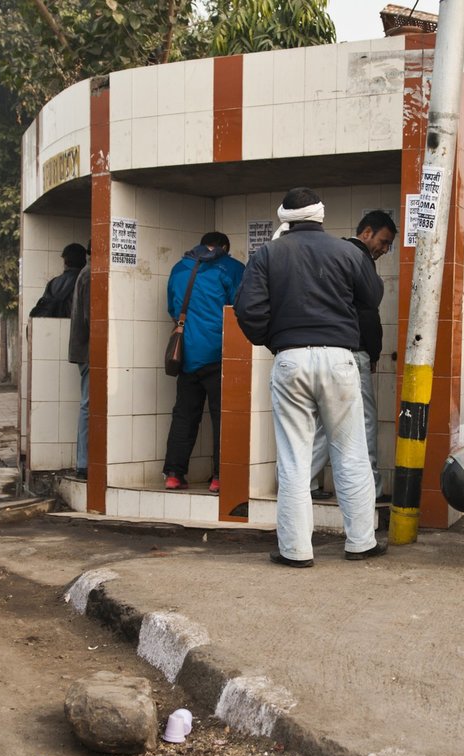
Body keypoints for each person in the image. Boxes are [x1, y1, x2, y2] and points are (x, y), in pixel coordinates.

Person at [233, 187, 385, 567]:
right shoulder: (348, 252)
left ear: (286, 217)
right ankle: (361, 542)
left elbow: (247, 309)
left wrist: (276, 342)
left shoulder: (266, 254)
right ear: (320, 215)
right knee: (351, 454)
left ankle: (296, 551)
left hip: (291, 359)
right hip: (340, 358)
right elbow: (372, 298)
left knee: (294, 460)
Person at [310, 210, 397, 502]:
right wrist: (373, 352)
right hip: (353, 351)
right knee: (364, 420)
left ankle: (303, 483)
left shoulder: (332, 254)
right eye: (383, 242)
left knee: (326, 420)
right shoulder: (359, 260)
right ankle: (370, 489)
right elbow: (368, 313)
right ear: (367, 232)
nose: (384, 250)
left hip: (323, 349)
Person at [162, 232, 245, 493]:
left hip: (187, 355)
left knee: (184, 415)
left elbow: (173, 310)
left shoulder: (179, 268)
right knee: (222, 418)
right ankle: (219, 477)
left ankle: (174, 474)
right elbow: (241, 309)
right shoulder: (231, 268)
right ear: (225, 247)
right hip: (220, 354)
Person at [67, 243, 92, 481]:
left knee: (88, 404)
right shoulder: (91, 273)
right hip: (89, 350)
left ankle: (85, 462)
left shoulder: (85, 272)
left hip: (84, 350)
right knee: (88, 405)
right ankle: (84, 463)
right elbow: (91, 316)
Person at [30, 243, 87, 318]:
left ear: (65, 262)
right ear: (83, 261)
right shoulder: (84, 281)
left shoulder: (53, 283)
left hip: (53, 325)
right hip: (75, 326)